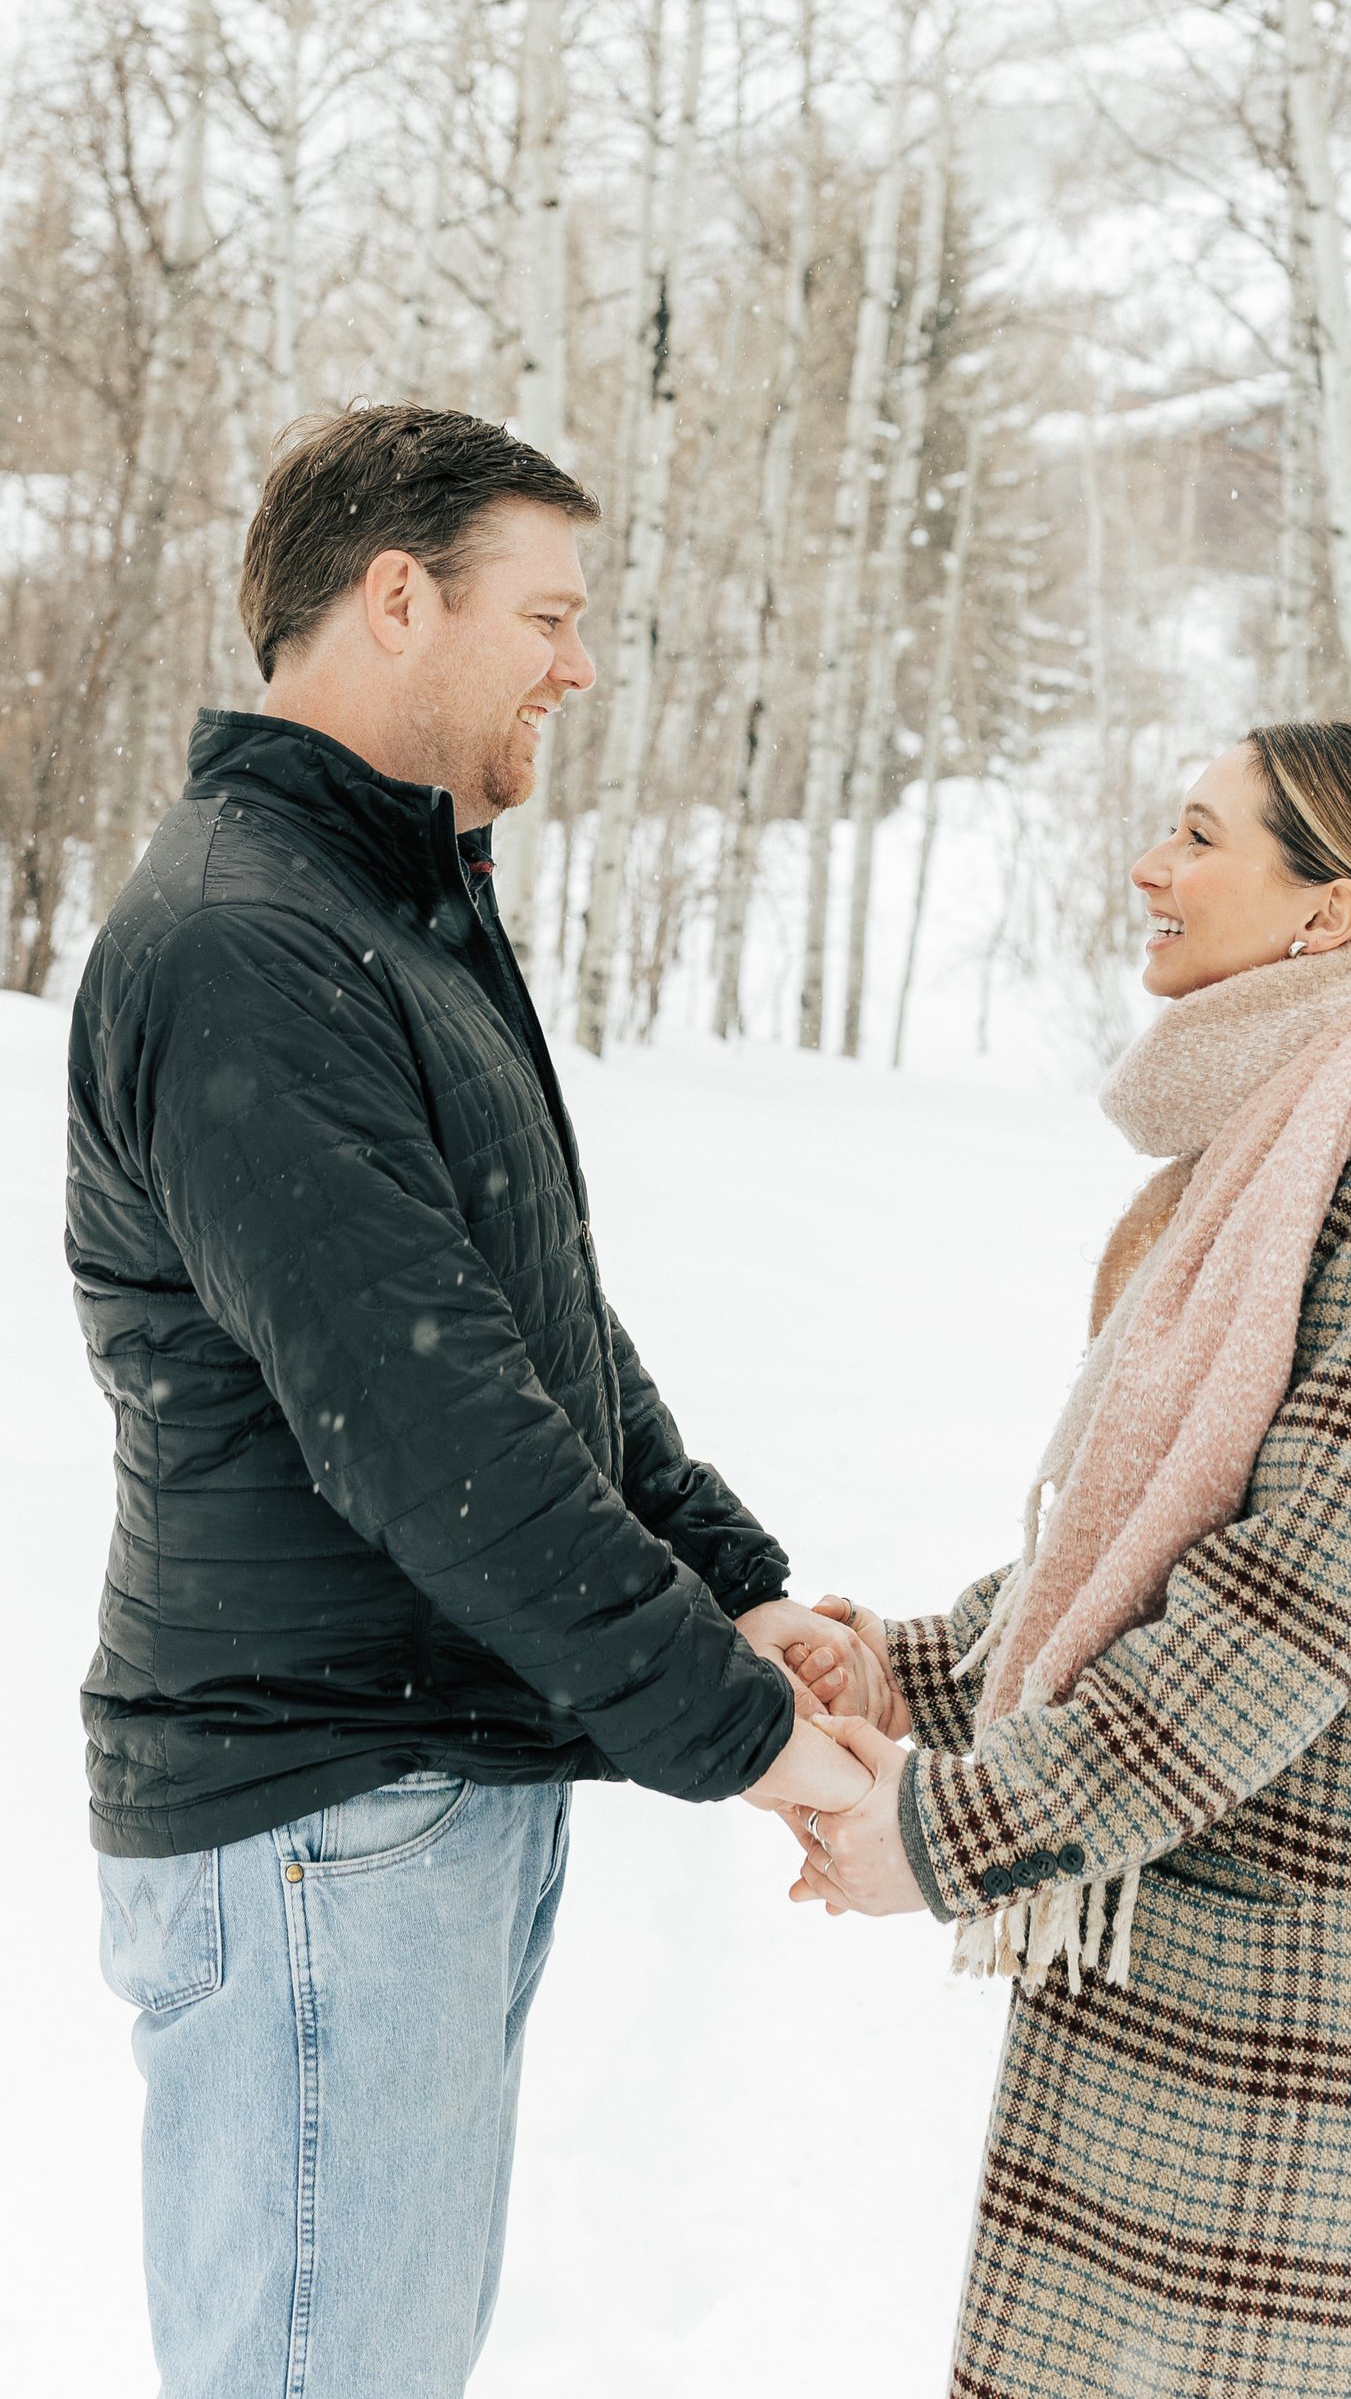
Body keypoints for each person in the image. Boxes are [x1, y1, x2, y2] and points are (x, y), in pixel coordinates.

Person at [68, 402, 872, 2399]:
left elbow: (531, 1341)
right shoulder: (252, 941)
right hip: (316, 1806)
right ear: (395, 596)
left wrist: (733, 1587)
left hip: (413, 1785)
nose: (578, 663)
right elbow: (426, 1435)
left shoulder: (388, 908)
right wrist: (737, 1727)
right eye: (548, 611)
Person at [788, 719, 1351, 2399]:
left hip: (1296, 2037)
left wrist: (941, 1831)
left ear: (1323, 912)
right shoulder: (1287, 1159)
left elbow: (1272, 1629)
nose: (1150, 866)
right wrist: (901, 1668)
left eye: (1197, 835)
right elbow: (1137, 1547)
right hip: (1185, 1999)